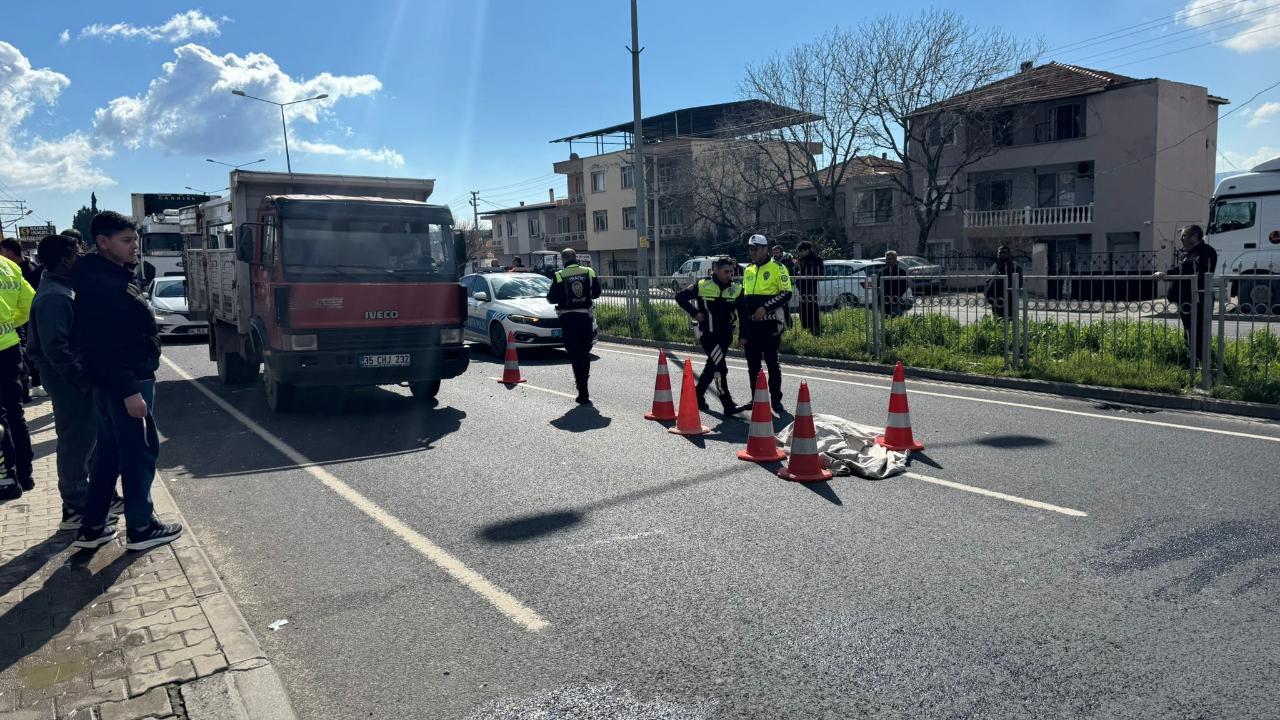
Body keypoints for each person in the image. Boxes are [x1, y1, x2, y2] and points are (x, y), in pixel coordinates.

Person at [71, 211, 181, 551]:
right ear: (103, 243)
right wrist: (131, 392)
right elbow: (106, 345)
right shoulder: (104, 285)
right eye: (127, 241)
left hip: (114, 382)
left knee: (111, 454)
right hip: (127, 382)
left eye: (135, 240)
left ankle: (93, 526)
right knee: (139, 453)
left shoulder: (106, 275)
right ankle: (142, 527)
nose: (135, 247)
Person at [28, 234, 121, 527]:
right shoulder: (54, 297)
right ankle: (76, 507)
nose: (80, 258)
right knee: (76, 441)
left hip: (75, 375)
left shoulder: (63, 287)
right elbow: (56, 347)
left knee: (91, 436)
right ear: (65, 259)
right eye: (77, 254)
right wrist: (81, 379)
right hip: (66, 378)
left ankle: (99, 496)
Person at [675, 257, 745, 415]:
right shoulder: (703, 285)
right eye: (726, 271)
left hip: (725, 336)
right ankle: (727, 404)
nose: (730, 275)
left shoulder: (736, 288)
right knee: (720, 367)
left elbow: (743, 314)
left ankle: (696, 395)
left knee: (712, 366)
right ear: (716, 270)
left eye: (731, 271)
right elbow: (680, 297)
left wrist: (743, 335)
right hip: (707, 335)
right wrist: (695, 313)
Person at [741, 234, 792, 414]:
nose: (752, 252)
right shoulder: (748, 270)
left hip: (770, 323)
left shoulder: (778, 268)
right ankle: (756, 399)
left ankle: (776, 400)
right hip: (752, 325)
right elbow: (745, 299)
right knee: (752, 364)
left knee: (771, 362)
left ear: (765, 249)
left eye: (755, 248)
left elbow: (786, 293)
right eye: (750, 248)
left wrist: (765, 307)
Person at [1154, 224, 1217, 369]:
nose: (1181, 239)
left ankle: (1201, 365)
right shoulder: (1187, 254)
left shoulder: (1205, 252)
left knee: (1199, 332)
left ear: (1194, 236)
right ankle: (1192, 362)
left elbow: (1187, 269)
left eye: (1184, 236)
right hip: (1186, 300)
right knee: (1189, 330)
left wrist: (1166, 274)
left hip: (1199, 298)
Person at [0, 249, 35, 501]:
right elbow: (29, 302)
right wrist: (10, 324)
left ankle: (6, 477)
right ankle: (25, 473)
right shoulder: (8, 266)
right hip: (9, 347)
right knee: (15, 412)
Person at [545, 248, 601, 405]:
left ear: (563, 260)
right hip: (586, 317)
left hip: (568, 319)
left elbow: (551, 298)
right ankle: (584, 382)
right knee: (584, 352)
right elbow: (596, 293)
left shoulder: (559, 275)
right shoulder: (589, 271)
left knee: (575, 354)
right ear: (575, 258)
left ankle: (582, 391)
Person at [793, 242, 824, 335]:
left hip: (810, 288)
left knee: (812, 308)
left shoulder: (816, 260)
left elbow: (820, 274)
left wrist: (810, 275)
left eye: (802, 251)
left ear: (808, 250)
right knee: (802, 309)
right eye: (800, 251)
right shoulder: (800, 260)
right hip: (801, 288)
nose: (800, 253)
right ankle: (805, 328)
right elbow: (793, 272)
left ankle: (815, 328)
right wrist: (796, 266)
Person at [984, 246, 1020, 319]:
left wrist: (1010, 293)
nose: (1001, 254)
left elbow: (1018, 283)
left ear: (1009, 254)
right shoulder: (995, 266)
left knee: (1009, 319)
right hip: (995, 298)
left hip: (1009, 299)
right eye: (1000, 252)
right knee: (997, 319)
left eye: (1004, 252)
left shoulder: (1014, 266)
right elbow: (990, 280)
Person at [881, 251, 912, 318]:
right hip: (884, 301)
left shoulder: (901, 272)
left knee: (896, 319)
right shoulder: (882, 272)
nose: (887, 261)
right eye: (886, 259)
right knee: (885, 320)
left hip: (896, 301)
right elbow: (878, 285)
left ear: (895, 260)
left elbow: (904, 286)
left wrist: (896, 296)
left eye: (890, 259)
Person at [771, 244, 794, 328]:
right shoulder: (772, 261)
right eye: (774, 253)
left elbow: (790, 270)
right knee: (776, 309)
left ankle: (789, 326)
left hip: (784, 287)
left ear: (781, 253)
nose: (775, 254)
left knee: (785, 308)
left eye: (777, 252)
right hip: (774, 287)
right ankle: (780, 327)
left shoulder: (787, 260)